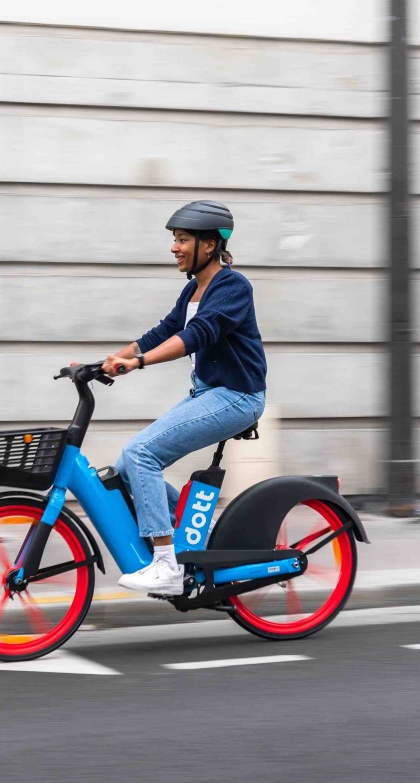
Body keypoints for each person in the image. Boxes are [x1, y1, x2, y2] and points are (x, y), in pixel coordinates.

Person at [95, 200, 267, 595]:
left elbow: (197, 334)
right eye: (175, 239)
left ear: (210, 245)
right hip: (209, 392)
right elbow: (164, 331)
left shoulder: (233, 287)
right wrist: (108, 361)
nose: (174, 247)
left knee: (141, 454)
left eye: (183, 239)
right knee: (126, 466)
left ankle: (166, 564)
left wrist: (137, 363)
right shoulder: (193, 288)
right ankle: (191, 541)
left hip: (238, 395)